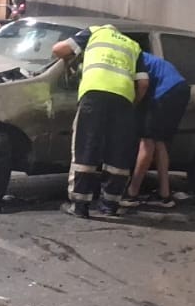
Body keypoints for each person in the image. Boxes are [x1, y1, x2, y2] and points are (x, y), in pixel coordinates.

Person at [51, 24, 147, 218]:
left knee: (86, 147)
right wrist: (132, 103)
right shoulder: (133, 46)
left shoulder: (95, 32)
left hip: (94, 95)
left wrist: (75, 59)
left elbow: (58, 50)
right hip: (123, 99)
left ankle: (80, 205)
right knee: (117, 153)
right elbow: (143, 83)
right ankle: (110, 205)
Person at [123, 50, 190, 208]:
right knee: (159, 142)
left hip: (164, 92)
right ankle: (165, 195)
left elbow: (143, 85)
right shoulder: (139, 55)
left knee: (147, 142)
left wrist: (135, 105)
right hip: (179, 88)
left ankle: (132, 193)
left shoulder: (131, 59)